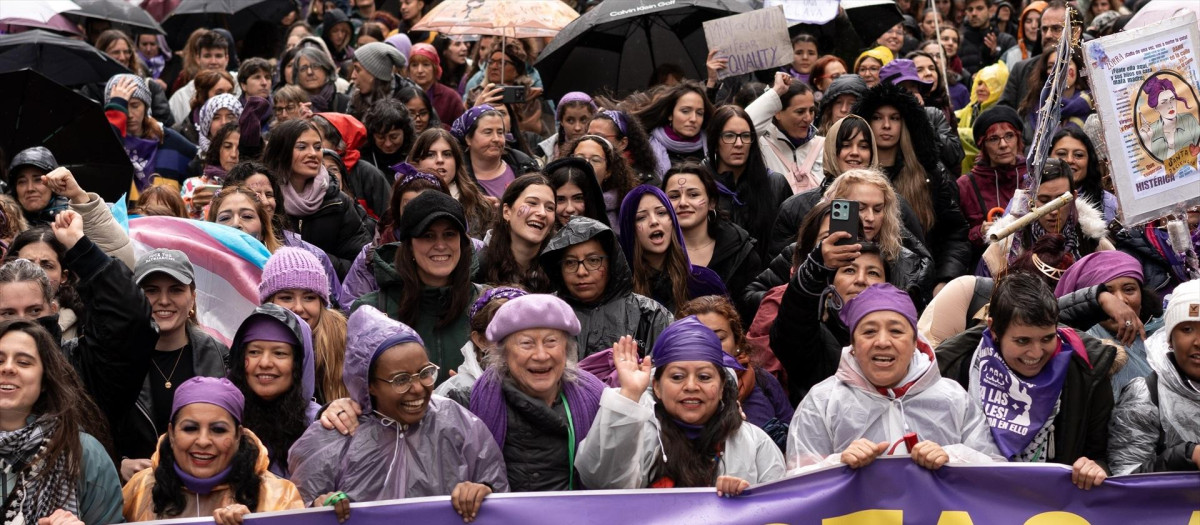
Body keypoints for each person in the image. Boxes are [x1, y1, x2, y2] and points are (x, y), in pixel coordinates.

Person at [288, 305, 506, 522]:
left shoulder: (458, 423)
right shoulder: (334, 435)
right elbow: (294, 508)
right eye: (401, 380)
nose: (418, 388)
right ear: (368, 383)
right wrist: (316, 508)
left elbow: (501, 496)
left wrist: (482, 492)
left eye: (424, 373)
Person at [785, 283, 1001, 473]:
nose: (882, 342)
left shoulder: (953, 398)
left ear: (915, 342)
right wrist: (839, 464)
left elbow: (993, 472)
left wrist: (951, 459)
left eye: (896, 331)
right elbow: (796, 483)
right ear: (853, 345)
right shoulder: (822, 401)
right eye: (869, 332)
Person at [937, 273, 1113, 489]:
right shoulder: (952, 369)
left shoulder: (1087, 372)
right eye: (1022, 341)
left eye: (1048, 338)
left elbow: (1101, 456)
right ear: (994, 330)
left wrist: (1095, 468)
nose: (1036, 352)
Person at [576, 316, 785, 492]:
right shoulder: (637, 433)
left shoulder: (754, 442)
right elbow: (600, 483)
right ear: (656, 387)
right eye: (677, 377)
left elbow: (781, 508)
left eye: (704, 377)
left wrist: (745, 499)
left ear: (722, 387)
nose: (691, 386)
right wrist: (629, 395)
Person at [466, 294, 606, 491]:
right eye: (526, 343)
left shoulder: (597, 398)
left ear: (566, 348)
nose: (541, 355)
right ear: (504, 353)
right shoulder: (469, 404)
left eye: (551, 341)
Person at [121, 377, 305, 522]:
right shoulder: (139, 489)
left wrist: (254, 523)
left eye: (218, 430)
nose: (203, 441)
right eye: (190, 428)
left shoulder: (279, 496)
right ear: (171, 432)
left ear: (238, 435)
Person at [119, 249, 230, 481]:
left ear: (192, 297)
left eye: (176, 290)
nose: (164, 301)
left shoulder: (221, 357)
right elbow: (91, 426)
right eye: (151, 291)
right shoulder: (113, 358)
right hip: (135, 495)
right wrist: (118, 462)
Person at [0, 319, 122, 524]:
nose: (8, 368)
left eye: (23, 362)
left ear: (45, 381)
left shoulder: (84, 452)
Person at [854, 80, 972, 289]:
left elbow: (954, 233)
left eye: (894, 118)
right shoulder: (851, 178)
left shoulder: (930, 174)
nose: (887, 125)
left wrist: (944, 279)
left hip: (921, 286)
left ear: (905, 123)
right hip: (861, 282)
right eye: (877, 118)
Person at [354, 191, 482, 379]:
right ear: (409, 245)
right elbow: (359, 387)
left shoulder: (486, 305)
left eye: (449, 234)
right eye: (428, 236)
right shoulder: (371, 311)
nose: (440, 245)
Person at [539, 217, 672, 358]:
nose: (581, 272)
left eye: (593, 260)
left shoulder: (649, 315)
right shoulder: (544, 312)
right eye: (570, 262)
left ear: (611, 263)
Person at [1107, 280, 1200, 474]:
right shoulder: (1146, 395)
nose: (1198, 342)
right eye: (1187, 329)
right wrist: (1184, 456)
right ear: (1170, 339)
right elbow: (1126, 478)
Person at [262, 119, 372, 279]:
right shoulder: (266, 200)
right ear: (281, 152)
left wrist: (317, 260)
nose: (313, 154)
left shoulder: (338, 202)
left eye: (318, 147)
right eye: (302, 147)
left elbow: (362, 264)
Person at [680, 296, 793, 445]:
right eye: (700, 338)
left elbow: (795, 437)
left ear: (737, 341)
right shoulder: (677, 391)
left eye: (719, 338)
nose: (711, 346)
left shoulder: (763, 381)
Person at [226, 303, 319, 478]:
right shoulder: (222, 418)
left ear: (299, 364)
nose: (265, 363)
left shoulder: (320, 425)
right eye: (254, 352)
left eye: (279, 353)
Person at [980, 158, 1113, 277]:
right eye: (1044, 200)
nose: (1053, 211)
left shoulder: (1093, 241)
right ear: (1030, 200)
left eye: (1062, 201)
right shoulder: (1005, 248)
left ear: (1074, 197)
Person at [661, 164, 762, 318]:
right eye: (674, 196)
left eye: (693, 195)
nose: (682, 203)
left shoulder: (742, 252)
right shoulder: (653, 252)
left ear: (712, 202)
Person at [1055, 251, 1163, 394]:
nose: (1120, 300)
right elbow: (1043, 322)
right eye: (1107, 292)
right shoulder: (1069, 343)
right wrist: (1099, 298)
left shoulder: (1165, 333)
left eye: (1129, 289)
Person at [259, 247, 350, 404]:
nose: (299, 308)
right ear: (269, 303)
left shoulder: (345, 342)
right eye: (287, 298)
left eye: (309, 297)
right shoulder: (252, 341)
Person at [617, 185, 725, 314]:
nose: (654, 221)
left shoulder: (705, 282)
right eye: (641, 217)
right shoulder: (618, 293)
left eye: (661, 213)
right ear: (629, 230)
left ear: (672, 221)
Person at [704, 105, 792, 262]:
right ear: (715, 142)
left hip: (764, 279)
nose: (739, 143)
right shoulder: (701, 186)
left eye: (745, 136)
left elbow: (785, 245)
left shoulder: (775, 184)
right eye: (729, 136)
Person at [434, 286, 528, 405]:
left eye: (526, 331)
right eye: (504, 332)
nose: (517, 341)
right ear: (481, 340)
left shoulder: (548, 382)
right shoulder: (457, 394)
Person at [957, 105, 1027, 252]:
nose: (1003, 145)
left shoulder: (1034, 176)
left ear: (1018, 138)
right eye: (993, 139)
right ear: (983, 145)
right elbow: (955, 239)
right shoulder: (966, 185)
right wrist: (979, 232)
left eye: (1009, 136)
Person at [474, 174, 555, 292]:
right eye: (532, 203)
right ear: (507, 212)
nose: (542, 213)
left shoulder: (559, 268)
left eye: (550, 208)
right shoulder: (479, 266)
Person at [409, 128, 494, 239]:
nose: (440, 160)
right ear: (417, 163)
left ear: (456, 162)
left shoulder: (480, 205)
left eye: (447, 154)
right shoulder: (405, 202)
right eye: (430, 154)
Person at [746, 74, 824, 194]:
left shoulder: (824, 146)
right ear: (777, 112)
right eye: (800, 112)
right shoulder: (761, 145)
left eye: (811, 110)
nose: (808, 118)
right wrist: (776, 92)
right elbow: (743, 128)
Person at [452, 106, 539, 198]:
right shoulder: (456, 176)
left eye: (500, 132)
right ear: (468, 139)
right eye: (488, 132)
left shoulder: (524, 165)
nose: (496, 139)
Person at [634, 81, 715, 176]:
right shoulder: (645, 148)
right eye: (685, 111)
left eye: (699, 113)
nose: (693, 119)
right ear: (670, 115)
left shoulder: (713, 147)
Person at [1000, 1, 1070, 109]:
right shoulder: (1021, 70)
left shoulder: (1086, 69)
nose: (1048, 35)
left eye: (1056, 29)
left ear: (1073, 32)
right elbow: (1004, 111)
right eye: (1044, 29)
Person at [1019, 45, 1092, 143]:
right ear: (1045, 73)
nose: (1059, 70)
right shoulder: (1031, 108)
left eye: (1065, 63)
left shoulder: (1094, 107)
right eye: (1051, 66)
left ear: (1077, 68)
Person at [566, 135, 638, 226]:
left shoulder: (627, 209)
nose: (586, 164)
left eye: (595, 160)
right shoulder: (553, 198)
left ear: (608, 171)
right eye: (579, 158)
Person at [1051, 127, 1118, 222]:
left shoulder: (1110, 204)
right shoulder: (1030, 202)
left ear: (1089, 162)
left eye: (1078, 155)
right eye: (1062, 154)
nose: (1069, 160)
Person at [955, 61, 1011, 173]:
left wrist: (953, 131)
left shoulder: (1002, 114)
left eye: (989, 84)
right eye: (979, 83)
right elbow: (956, 115)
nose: (981, 88)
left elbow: (981, 137)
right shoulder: (973, 107)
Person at [168, 30, 234, 125]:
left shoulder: (241, 86)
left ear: (227, 58)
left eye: (218, 56)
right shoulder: (180, 97)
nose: (213, 61)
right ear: (198, 58)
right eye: (207, 56)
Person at [1136, 75, 1200, 163]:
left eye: (1172, 99)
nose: (1170, 105)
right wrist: (1147, 142)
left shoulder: (1189, 120)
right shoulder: (1150, 131)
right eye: (1164, 102)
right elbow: (1154, 166)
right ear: (1156, 108)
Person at [587, 110, 660, 184]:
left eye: (600, 137)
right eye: (588, 136)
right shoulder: (581, 170)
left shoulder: (645, 182)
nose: (591, 142)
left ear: (622, 143)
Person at [7, 147, 69, 226]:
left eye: (38, 180)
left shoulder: (75, 219)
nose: (30, 188)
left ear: (54, 184)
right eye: (22, 182)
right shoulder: (5, 228)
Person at [347, 42, 408, 120]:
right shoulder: (355, 96)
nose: (353, 76)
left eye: (357, 69)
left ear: (374, 73)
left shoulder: (406, 97)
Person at [410, 43, 466, 127]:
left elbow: (460, 130)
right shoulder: (402, 96)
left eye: (426, 64)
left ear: (435, 68)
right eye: (414, 65)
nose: (420, 70)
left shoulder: (451, 98)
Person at [545, 157, 610, 227]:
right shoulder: (536, 237)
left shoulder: (607, 237)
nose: (570, 209)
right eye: (560, 199)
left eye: (578, 198)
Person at [958, 0, 1016, 76]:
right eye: (970, 9)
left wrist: (994, 55)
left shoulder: (1006, 41)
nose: (974, 13)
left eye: (979, 8)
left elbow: (1011, 76)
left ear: (989, 10)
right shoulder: (959, 40)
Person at [538, 92, 597, 161]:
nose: (577, 127)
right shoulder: (545, 152)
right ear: (561, 121)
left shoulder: (603, 148)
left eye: (583, 120)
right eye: (570, 120)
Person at [361, 98, 416, 171]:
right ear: (372, 136)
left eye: (394, 137)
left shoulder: (416, 153)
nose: (388, 144)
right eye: (381, 137)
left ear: (405, 132)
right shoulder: (362, 158)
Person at [291, 47, 350, 113]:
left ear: (326, 69)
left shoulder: (344, 103)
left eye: (315, 66)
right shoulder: (290, 106)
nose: (309, 72)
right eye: (303, 68)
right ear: (297, 75)